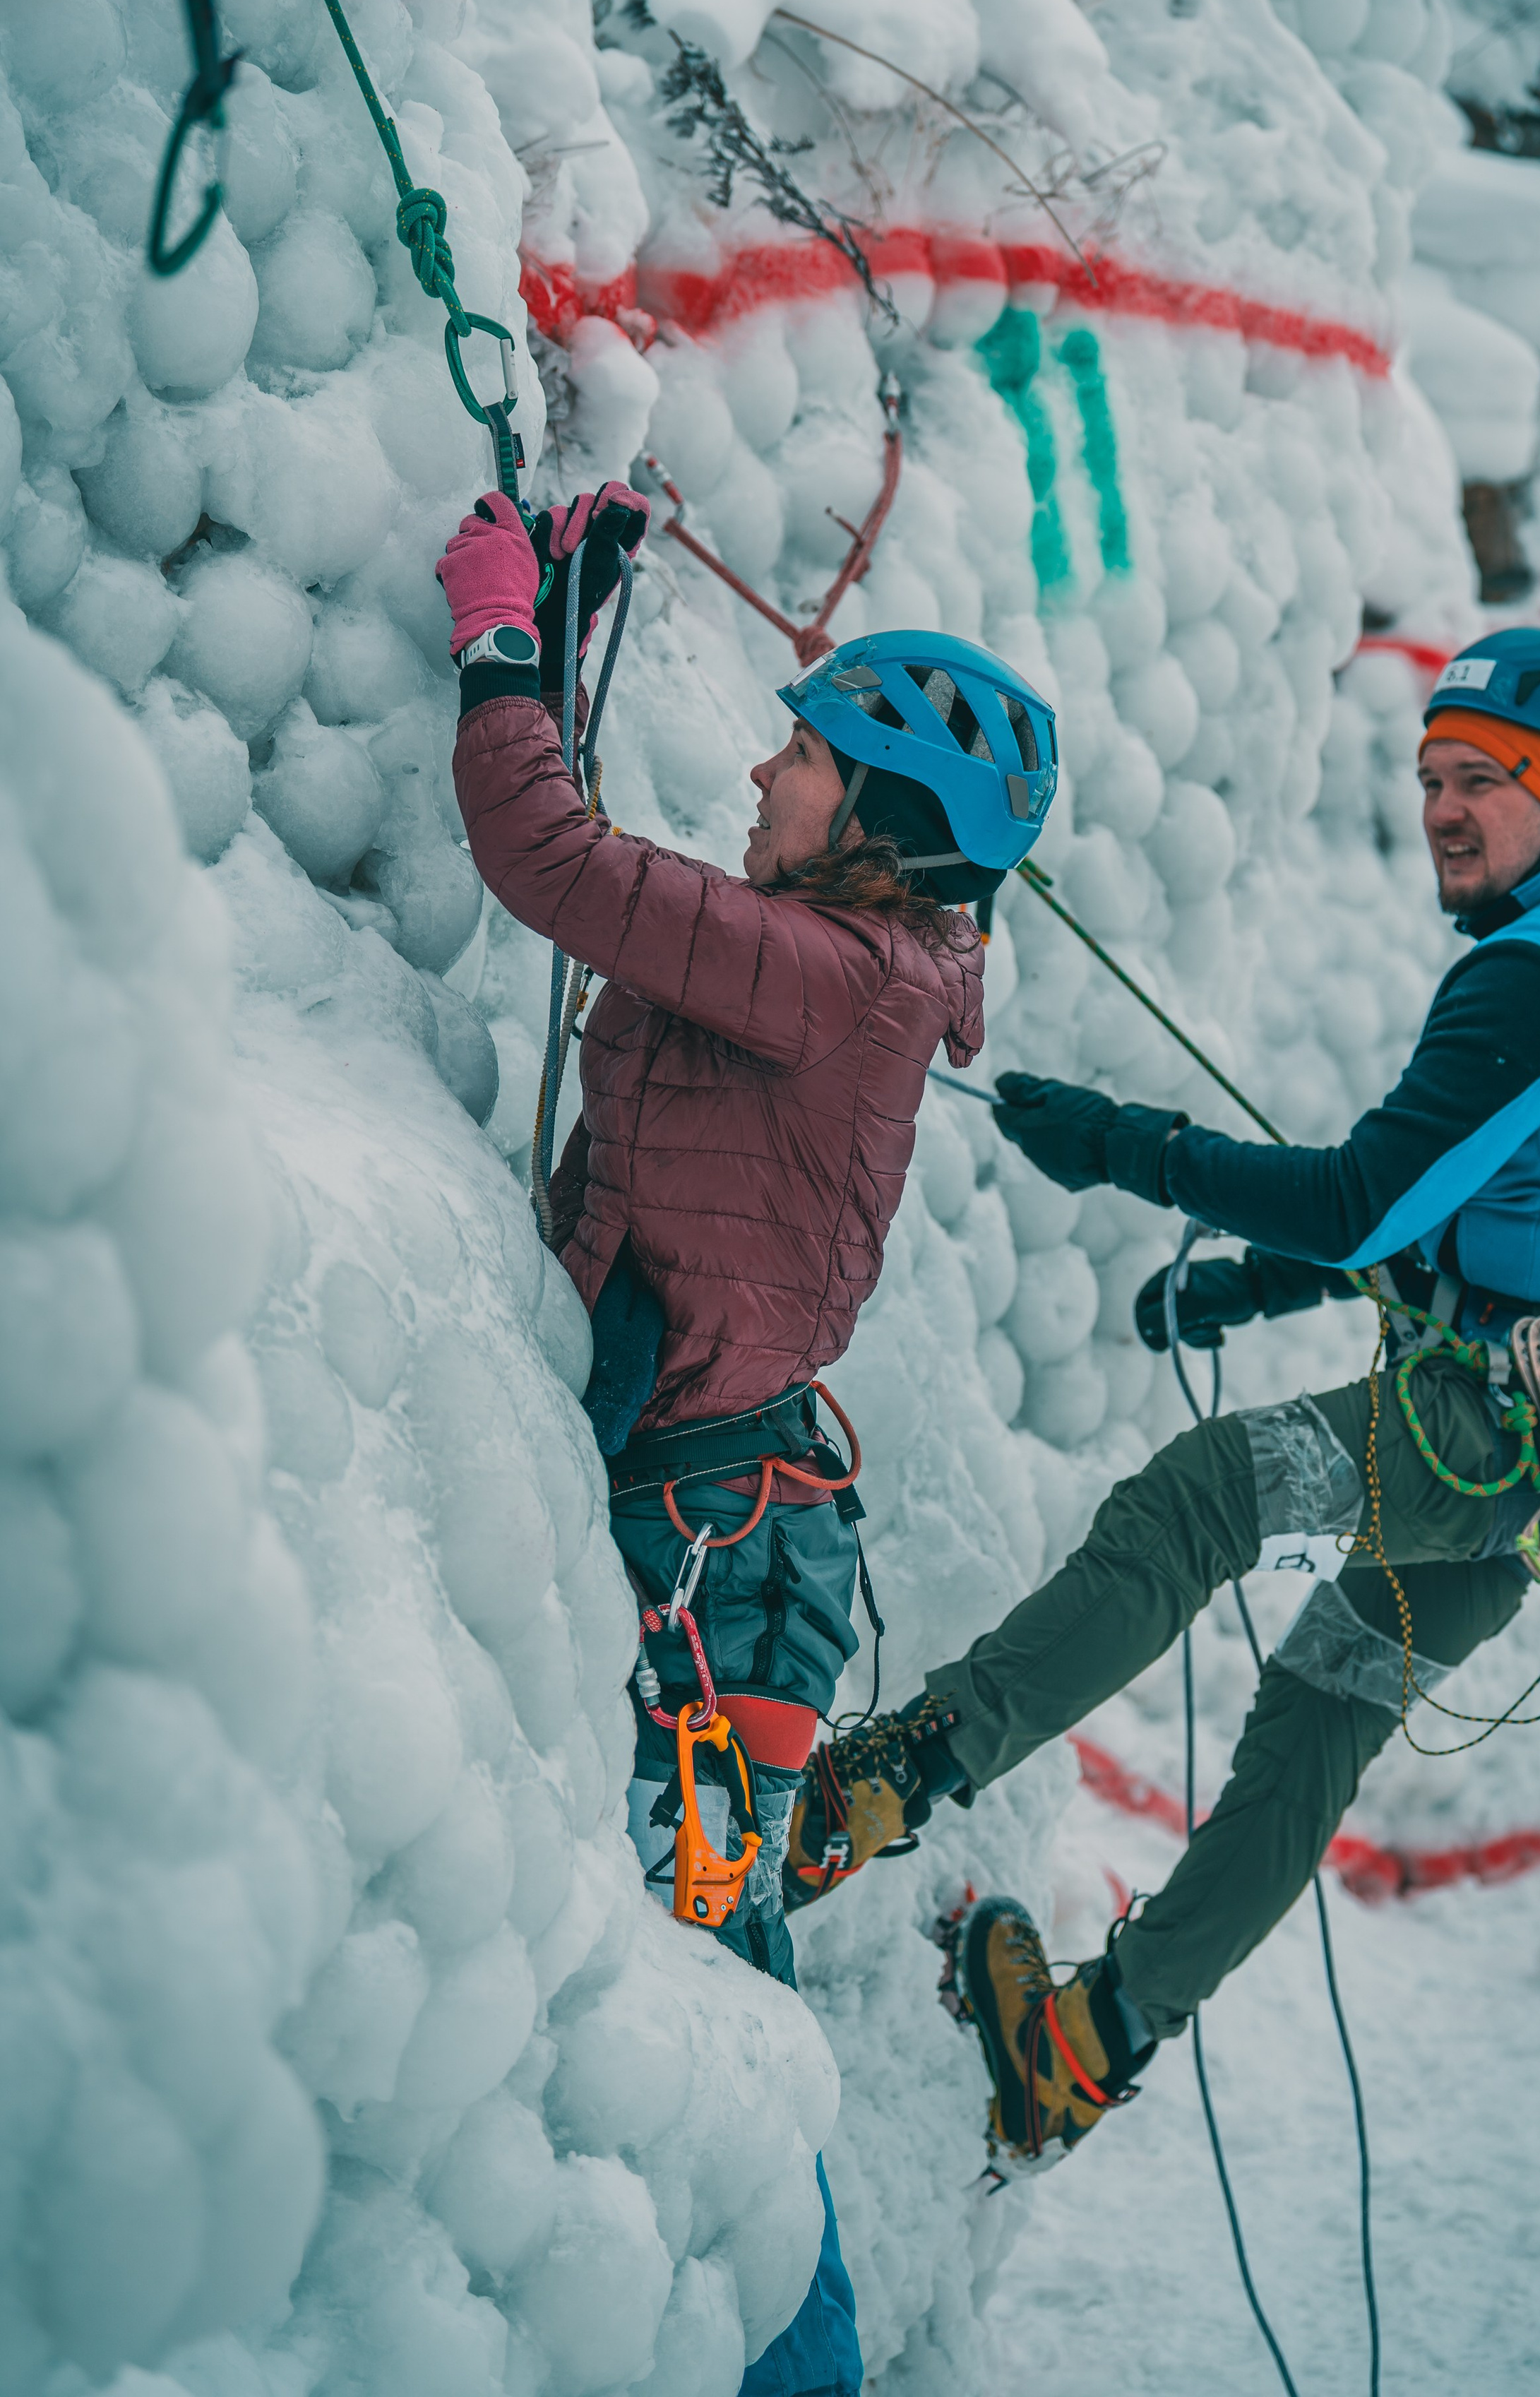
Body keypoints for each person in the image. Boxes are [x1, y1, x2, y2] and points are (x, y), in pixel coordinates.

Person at [784, 624, 1540, 2175]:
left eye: (1482, 778)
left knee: (1207, 1499)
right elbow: (1481, 1204)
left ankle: (880, 1783)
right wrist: (1255, 1283)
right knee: (1325, 1692)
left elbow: (1369, 1200)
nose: (1443, 804)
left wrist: (1127, 1148)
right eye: (1430, 772)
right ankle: (1082, 2049)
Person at [438, 481, 1059, 2374]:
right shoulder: (835, 959)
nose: (764, 775)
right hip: (708, 1520)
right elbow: (650, 908)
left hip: (725, 1563)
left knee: (712, 1994)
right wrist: (576, 595)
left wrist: (491, 645)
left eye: (803, 757)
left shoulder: (833, 979)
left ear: (883, 823)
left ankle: (807, 2369)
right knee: (685, 1968)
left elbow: (552, 862)